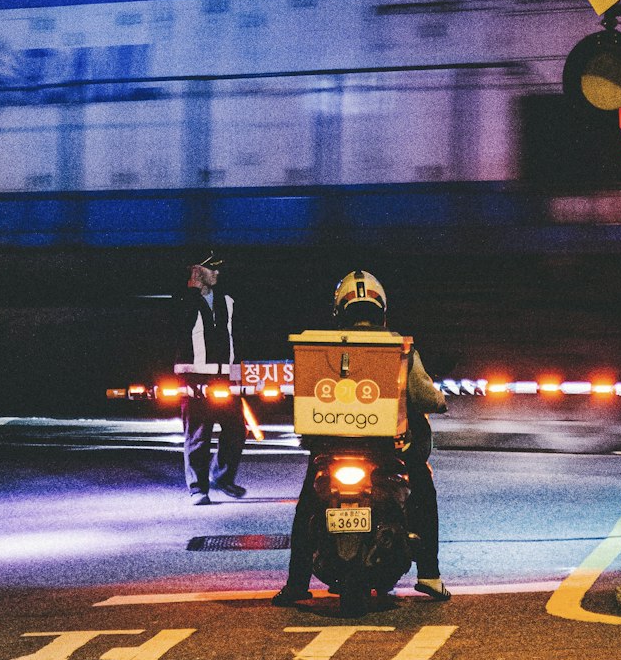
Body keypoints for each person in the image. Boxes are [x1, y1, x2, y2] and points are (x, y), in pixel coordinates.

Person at [273, 269, 450, 605]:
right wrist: (441, 401)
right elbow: (426, 397)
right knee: (422, 489)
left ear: (340, 311)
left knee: (307, 503)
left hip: (330, 448)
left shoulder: (318, 346)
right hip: (384, 449)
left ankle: (296, 583)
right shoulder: (399, 348)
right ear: (381, 309)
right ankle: (429, 573)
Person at [174, 251, 247, 505]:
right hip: (194, 376)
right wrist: (193, 291)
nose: (216, 273)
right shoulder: (183, 299)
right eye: (210, 269)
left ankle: (222, 477)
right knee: (198, 433)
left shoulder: (226, 300)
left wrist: (237, 373)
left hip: (224, 376)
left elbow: (233, 337)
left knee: (237, 428)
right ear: (196, 271)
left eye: (217, 269)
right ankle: (198, 487)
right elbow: (180, 325)